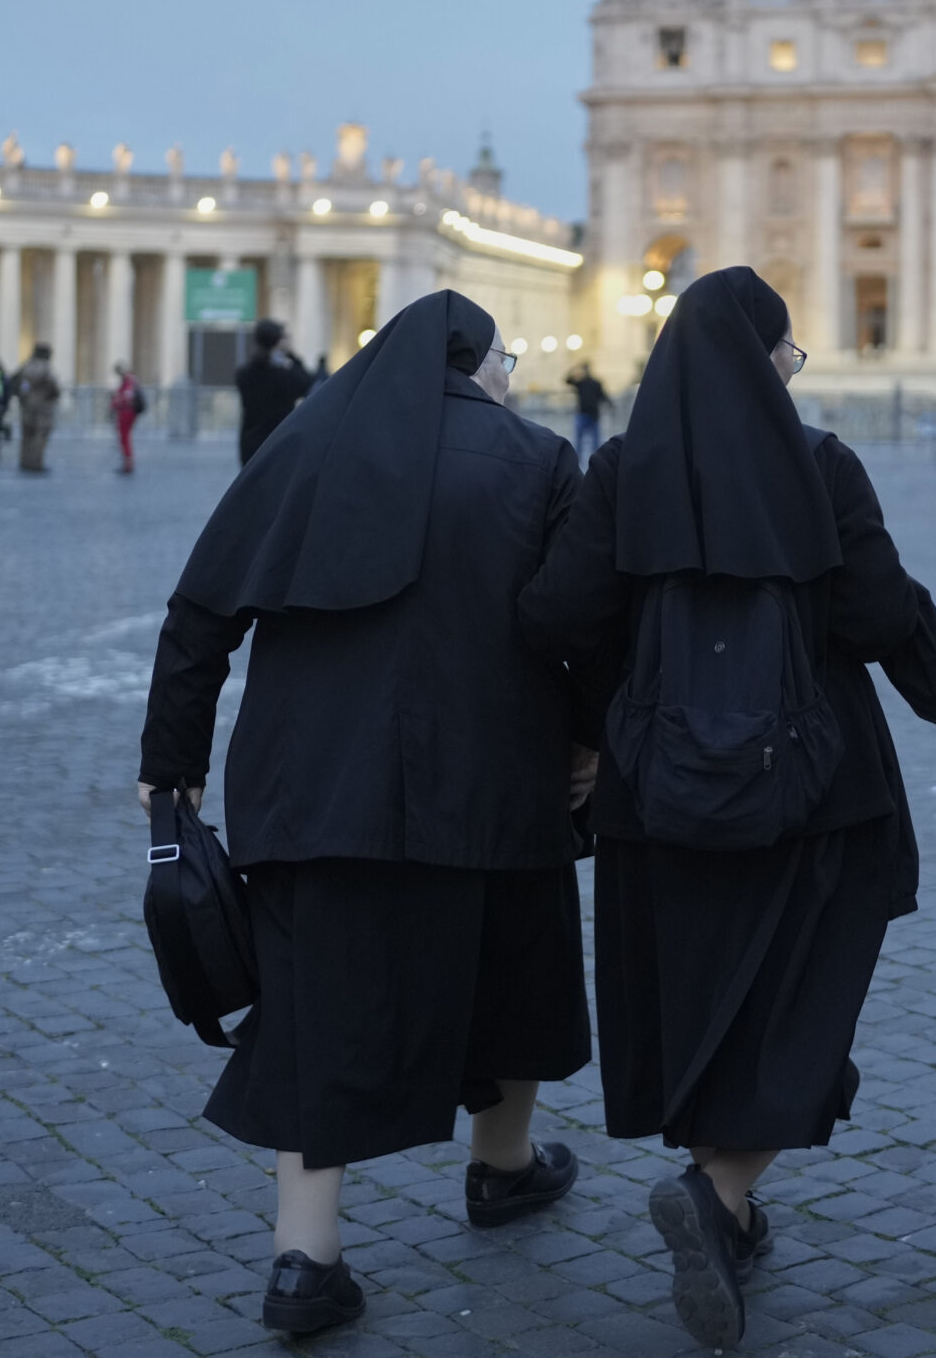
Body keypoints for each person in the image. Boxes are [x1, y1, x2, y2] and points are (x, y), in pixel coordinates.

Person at [519, 266, 936, 1351]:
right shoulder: (820, 466)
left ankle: (724, 1203)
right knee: (806, 1005)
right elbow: (865, 610)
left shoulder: (623, 471)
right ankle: (719, 1196)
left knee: (702, 997)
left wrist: (610, 716)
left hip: (658, 794)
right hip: (815, 789)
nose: (788, 373)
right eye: (785, 355)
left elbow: (554, 613)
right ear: (763, 363)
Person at [136, 291, 589, 1338]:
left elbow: (201, 610)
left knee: (314, 1010)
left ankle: (306, 1261)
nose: (513, 376)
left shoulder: (303, 447)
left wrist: (171, 764)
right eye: (507, 358)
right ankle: (502, 1166)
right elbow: (575, 621)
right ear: (474, 362)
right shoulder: (535, 459)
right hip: (491, 773)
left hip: (311, 785)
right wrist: (592, 740)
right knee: (510, 966)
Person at [234, 317, 315, 467]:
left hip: (250, 442)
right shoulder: (284, 375)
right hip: (279, 440)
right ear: (278, 341)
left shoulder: (245, 373)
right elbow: (307, 384)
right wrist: (291, 356)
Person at [16, 344, 60, 473]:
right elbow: (54, 387)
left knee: (27, 435)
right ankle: (36, 463)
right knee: (40, 436)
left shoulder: (26, 367)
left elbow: (18, 383)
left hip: (27, 406)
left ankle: (25, 461)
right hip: (42, 408)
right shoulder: (45, 368)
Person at [568, 362, 612, 465]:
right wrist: (574, 368)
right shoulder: (580, 382)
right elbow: (567, 380)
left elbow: (603, 395)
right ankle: (577, 460)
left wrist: (610, 405)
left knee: (595, 441)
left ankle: (597, 461)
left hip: (593, 416)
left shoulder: (595, 383)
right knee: (580, 440)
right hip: (583, 415)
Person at [111, 362, 145, 475]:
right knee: (125, 438)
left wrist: (115, 404)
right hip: (127, 412)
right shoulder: (130, 380)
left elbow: (126, 397)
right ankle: (127, 463)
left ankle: (128, 464)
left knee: (125, 438)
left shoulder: (128, 381)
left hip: (126, 413)